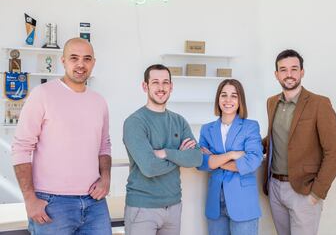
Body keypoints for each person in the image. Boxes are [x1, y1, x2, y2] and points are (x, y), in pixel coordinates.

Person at [12, 38, 112, 235]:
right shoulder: (42, 94)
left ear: (93, 62)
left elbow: (104, 146)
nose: (81, 64)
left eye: (87, 59)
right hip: (52, 204)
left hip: (95, 203)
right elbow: (21, 147)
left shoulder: (99, 101)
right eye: (74, 58)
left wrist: (106, 178)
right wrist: (29, 199)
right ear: (63, 60)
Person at [262, 49, 336, 235]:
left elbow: (334, 152)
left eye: (294, 69)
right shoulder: (272, 102)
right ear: (276, 75)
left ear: (302, 72)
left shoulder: (319, 104)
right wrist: (246, 146)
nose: (288, 74)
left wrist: (317, 193)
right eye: (283, 70)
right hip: (275, 187)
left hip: (304, 190)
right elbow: (274, 138)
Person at [123, 64, 203, 235]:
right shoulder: (135, 122)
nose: (161, 88)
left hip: (173, 206)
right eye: (155, 82)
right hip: (142, 208)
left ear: (171, 87)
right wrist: (180, 156)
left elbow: (197, 158)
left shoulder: (179, 121)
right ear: (145, 86)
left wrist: (166, 153)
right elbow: (149, 168)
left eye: (165, 82)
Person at [198, 79, 263, 235]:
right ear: (218, 99)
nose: (228, 100)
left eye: (234, 96)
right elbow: (201, 162)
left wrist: (215, 160)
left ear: (240, 100)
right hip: (215, 204)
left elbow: (253, 161)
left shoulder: (250, 126)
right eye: (224, 95)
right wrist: (232, 155)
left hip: (243, 203)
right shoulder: (207, 129)